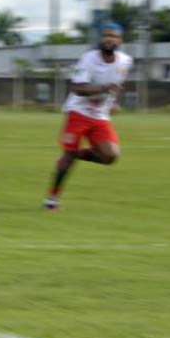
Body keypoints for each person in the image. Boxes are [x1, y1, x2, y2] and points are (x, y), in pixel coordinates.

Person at [43, 22, 133, 210]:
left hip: (100, 116)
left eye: (114, 36)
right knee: (67, 160)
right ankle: (52, 199)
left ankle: (73, 154)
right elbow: (77, 88)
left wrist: (114, 102)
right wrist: (103, 88)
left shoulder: (125, 61)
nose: (109, 39)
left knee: (110, 156)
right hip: (78, 112)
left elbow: (117, 85)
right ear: (101, 38)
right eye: (106, 35)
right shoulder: (88, 59)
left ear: (120, 40)